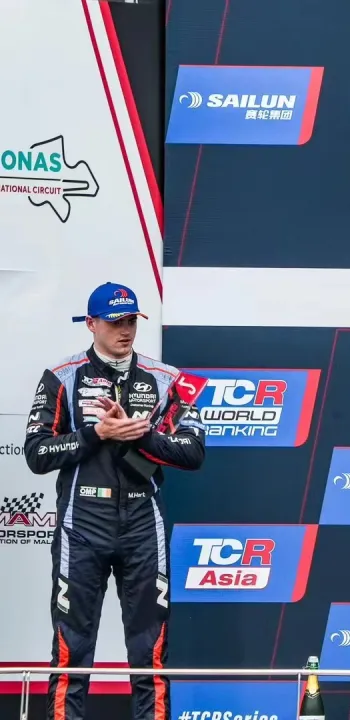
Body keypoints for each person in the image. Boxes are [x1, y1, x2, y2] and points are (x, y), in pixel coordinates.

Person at [24, 282, 207, 720]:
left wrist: (142, 435)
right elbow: (36, 453)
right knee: (71, 648)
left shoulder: (167, 379)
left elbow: (194, 453)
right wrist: (96, 434)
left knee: (151, 651)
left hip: (143, 522)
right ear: (91, 324)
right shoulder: (61, 376)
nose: (125, 331)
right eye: (114, 322)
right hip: (82, 523)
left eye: (130, 321)